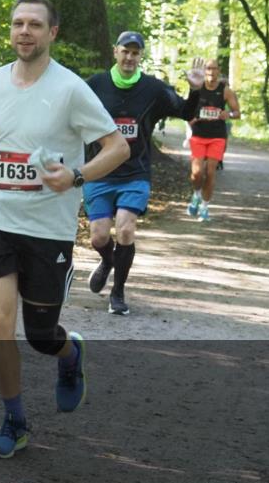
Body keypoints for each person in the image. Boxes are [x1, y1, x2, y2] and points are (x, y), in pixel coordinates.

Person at [0, 0, 129, 459]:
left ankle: (70, 356)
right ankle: (14, 419)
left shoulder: (70, 89)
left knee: (40, 333)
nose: (24, 32)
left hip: (47, 227)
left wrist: (75, 176)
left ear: (52, 33)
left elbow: (117, 148)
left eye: (34, 24)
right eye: (17, 24)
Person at [84, 33, 205, 316]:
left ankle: (118, 292)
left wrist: (196, 90)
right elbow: (68, 111)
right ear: (115, 52)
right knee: (99, 238)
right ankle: (108, 260)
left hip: (135, 173)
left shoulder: (152, 89)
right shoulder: (94, 85)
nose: (129, 57)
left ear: (140, 57)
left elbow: (186, 112)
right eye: (125, 51)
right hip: (99, 171)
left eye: (135, 53)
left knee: (125, 229)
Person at [187, 59, 240, 222]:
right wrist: (191, 119)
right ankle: (196, 195)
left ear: (218, 71)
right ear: (204, 71)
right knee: (197, 173)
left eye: (214, 69)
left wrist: (228, 115)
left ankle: (204, 206)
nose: (211, 72)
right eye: (208, 69)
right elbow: (186, 109)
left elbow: (237, 112)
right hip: (198, 135)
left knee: (210, 172)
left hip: (217, 136)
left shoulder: (225, 91)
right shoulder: (197, 87)